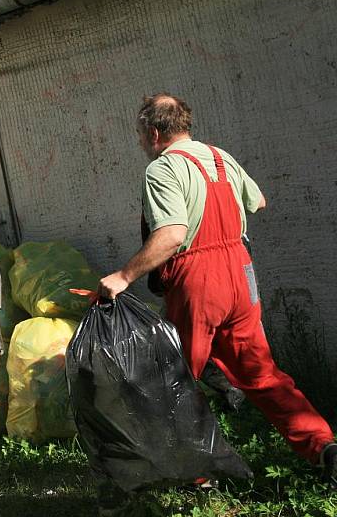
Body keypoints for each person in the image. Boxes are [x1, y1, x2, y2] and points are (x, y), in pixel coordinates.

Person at [98, 93, 336, 484]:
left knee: (174, 379)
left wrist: (123, 277)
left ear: (155, 132)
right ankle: (323, 445)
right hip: (241, 275)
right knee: (260, 373)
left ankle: (197, 476)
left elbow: (173, 234)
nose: (140, 143)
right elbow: (258, 202)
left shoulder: (162, 169)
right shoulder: (221, 157)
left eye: (140, 135)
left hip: (199, 279)